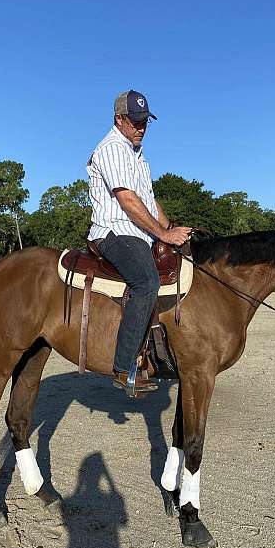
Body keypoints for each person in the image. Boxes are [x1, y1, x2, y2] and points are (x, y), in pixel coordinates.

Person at [87, 90, 192, 394]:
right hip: (115, 232)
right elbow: (128, 201)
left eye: (145, 121)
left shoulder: (137, 154)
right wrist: (163, 234)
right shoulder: (110, 149)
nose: (141, 127)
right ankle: (123, 367)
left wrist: (170, 227)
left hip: (140, 233)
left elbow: (148, 198)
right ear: (118, 119)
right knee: (146, 282)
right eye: (135, 121)